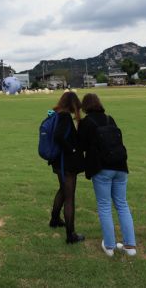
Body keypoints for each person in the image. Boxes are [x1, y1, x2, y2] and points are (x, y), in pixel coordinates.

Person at [78, 93, 136, 257]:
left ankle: (109, 246)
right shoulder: (110, 119)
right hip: (120, 166)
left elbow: (80, 145)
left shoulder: (86, 122)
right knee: (122, 204)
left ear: (85, 106)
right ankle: (130, 246)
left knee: (104, 206)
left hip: (101, 168)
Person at [48, 91, 85, 244]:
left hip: (58, 161)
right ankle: (71, 235)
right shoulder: (64, 116)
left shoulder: (57, 113)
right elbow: (58, 136)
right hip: (66, 163)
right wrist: (72, 149)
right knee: (70, 197)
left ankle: (55, 219)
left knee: (63, 191)